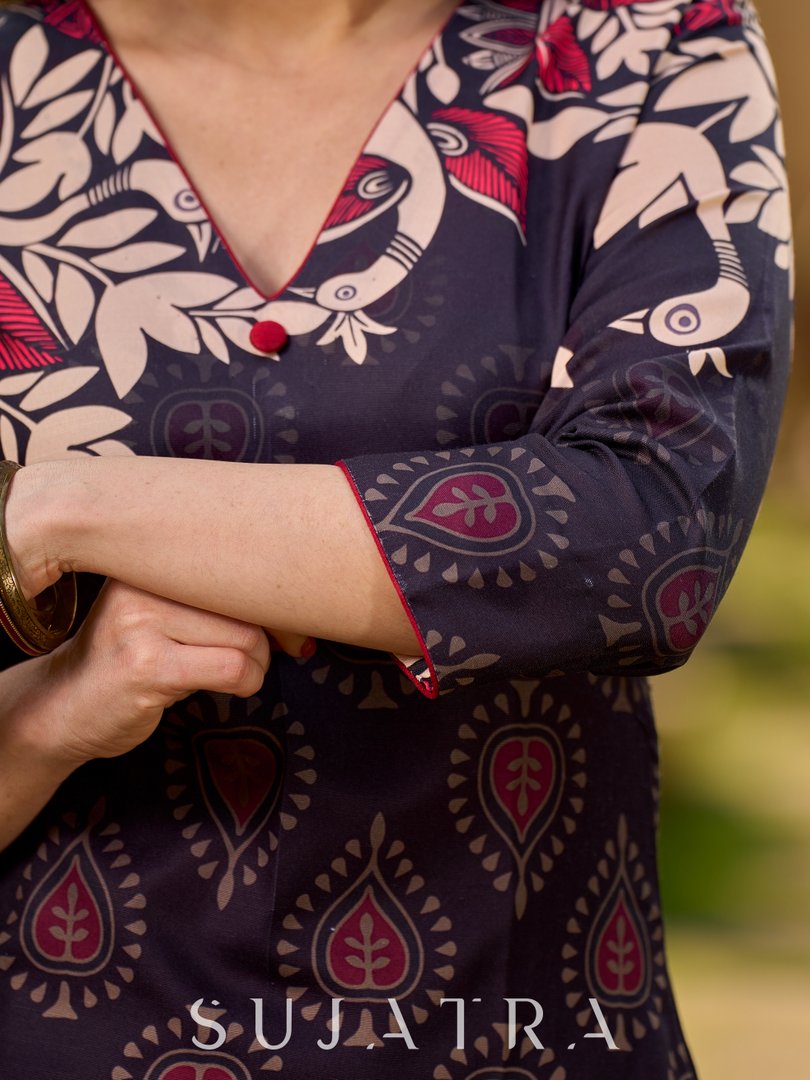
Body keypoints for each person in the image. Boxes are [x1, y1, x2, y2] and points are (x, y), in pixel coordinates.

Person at [0, 0, 791, 1076]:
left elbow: (656, 526)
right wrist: (42, 722)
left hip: (519, 1038)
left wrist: (57, 510)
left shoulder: (638, 41)